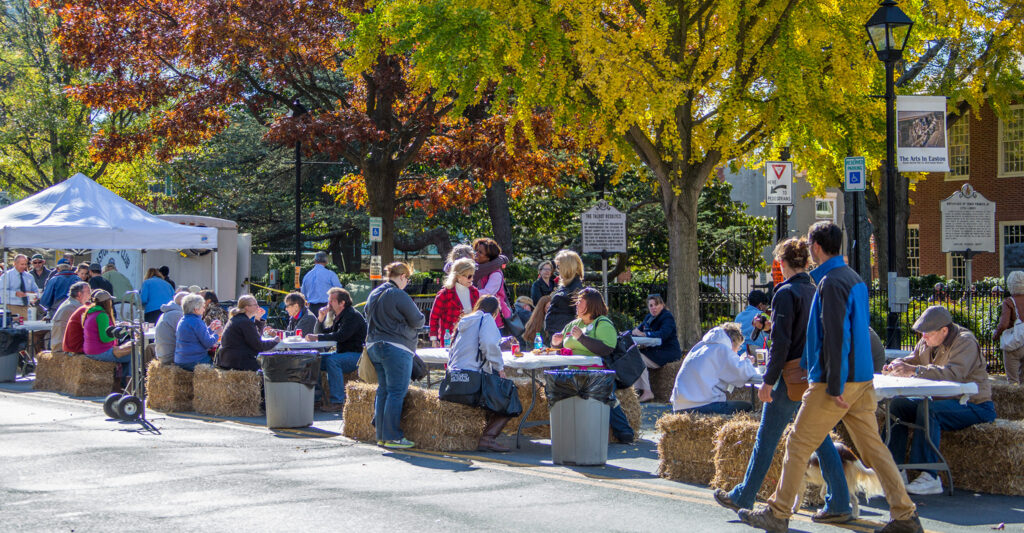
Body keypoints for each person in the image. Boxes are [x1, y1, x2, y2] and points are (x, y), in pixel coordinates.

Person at [739, 221, 919, 533]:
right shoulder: (852, 278)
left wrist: (834, 385)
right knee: (874, 449)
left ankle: (778, 513)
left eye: (810, 245)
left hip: (834, 381)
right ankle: (905, 514)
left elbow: (836, 336)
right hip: (861, 378)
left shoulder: (830, 282)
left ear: (817, 247)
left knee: (797, 443)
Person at [714, 237, 852, 523]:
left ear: (782, 262)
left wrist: (768, 380)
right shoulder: (814, 290)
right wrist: (771, 326)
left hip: (788, 378)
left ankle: (744, 495)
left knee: (766, 438)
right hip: (812, 374)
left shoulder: (785, 292)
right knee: (820, 439)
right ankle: (839, 500)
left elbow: (781, 343)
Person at [883, 305, 996, 495]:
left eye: (927, 333)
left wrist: (914, 370)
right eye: (922, 333)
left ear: (944, 331)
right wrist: (897, 365)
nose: (923, 337)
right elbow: (914, 359)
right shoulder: (928, 340)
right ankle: (893, 470)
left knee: (929, 410)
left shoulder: (965, 341)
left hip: (973, 404)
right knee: (897, 405)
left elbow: (954, 374)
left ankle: (929, 475)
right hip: (942, 400)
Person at [551, 287, 635, 443]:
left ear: (591, 304)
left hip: (598, 372)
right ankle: (566, 431)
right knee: (553, 387)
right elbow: (561, 343)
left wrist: (582, 338)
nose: (576, 304)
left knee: (603, 393)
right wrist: (556, 342)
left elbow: (607, 348)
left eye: (580, 301)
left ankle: (624, 432)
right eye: (577, 301)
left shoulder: (602, 323)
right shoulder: (574, 324)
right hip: (572, 372)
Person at [365, 262, 424, 449]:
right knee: (397, 392)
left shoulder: (374, 293)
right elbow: (418, 320)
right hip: (396, 347)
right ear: (402, 276)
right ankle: (392, 437)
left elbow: (367, 314)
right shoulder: (398, 294)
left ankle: (382, 435)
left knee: (383, 390)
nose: (407, 282)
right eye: (407, 279)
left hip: (374, 346)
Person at [446, 296, 515, 452]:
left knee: (496, 391)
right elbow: (489, 344)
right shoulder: (486, 318)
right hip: (473, 381)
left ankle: (481, 435)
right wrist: (499, 368)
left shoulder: (464, 321)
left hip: (454, 380)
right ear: (495, 311)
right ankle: (487, 439)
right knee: (509, 394)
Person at [669, 323, 757, 414]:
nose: (736, 352)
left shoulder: (699, 347)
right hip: (703, 406)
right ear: (733, 343)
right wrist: (748, 362)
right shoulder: (722, 349)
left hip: (679, 407)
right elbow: (742, 374)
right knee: (748, 407)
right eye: (738, 347)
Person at [308, 287, 366, 411]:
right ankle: (317, 398)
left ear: (342, 303)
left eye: (332, 301)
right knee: (313, 358)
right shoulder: (339, 316)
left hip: (356, 355)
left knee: (333, 361)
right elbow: (323, 332)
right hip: (342, 353)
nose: (328, 303)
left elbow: (341, 336)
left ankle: (337, 402)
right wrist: (320, 319)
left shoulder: (352, 316)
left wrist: (317, 337)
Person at [631, 294, 682, 402]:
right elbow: (637, 330)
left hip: (667, 352)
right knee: (632, 355)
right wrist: (630, 332)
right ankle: (634, 392)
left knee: (638, 358)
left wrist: (645, 334)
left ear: (662, 305)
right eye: (651, 305)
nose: (653, 308)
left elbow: (663, 334)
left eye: (656, 304)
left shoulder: (667, 317)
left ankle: (647, 392)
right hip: (654, 351)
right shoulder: (648, 318)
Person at [218, 295, 278, 372]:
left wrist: (258, 318)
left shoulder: (238, 319)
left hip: (229, 361)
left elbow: (254, 338)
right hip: (238, 364)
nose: (258, 307)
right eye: (255, 305)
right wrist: (275, 341)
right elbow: (259, 346)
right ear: (247, 307)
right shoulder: (244, 322)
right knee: (271, 369)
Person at [429, 258, 480, 347]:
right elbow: (434, 317)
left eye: (472, 275)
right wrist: (434, 339)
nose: (472, 279)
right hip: (450, 338)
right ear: (458, 276)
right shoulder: (444, 294)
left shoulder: (475, 292)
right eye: (468, 276)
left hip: (471, 337)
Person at [82, 290, 135, 371]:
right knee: (134, 355)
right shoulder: (102, 315)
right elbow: (104, 339)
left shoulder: (91, 312)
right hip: (99, 352)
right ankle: (129, 378)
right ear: (106, 302)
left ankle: (125, 377)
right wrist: (120, 334)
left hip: (90, 350)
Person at [472, 238, 513, 330]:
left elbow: (487, 293)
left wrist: (469, 291)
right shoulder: (477, 269)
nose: (476, 254)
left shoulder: (496, 274)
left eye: (480, 252)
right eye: (476, 250)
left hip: (495, 318)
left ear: (489, 258)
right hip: (480, 315)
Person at [174, 293, 220, 371]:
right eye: (203, 307)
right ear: (196, 309)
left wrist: (210, 329)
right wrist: (217, 334)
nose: (204, 310)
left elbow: (197, 336)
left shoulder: (183, 320)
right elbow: (208, 343)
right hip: (194, 361)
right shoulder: (197, 321)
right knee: (218, 364)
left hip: (180, 360)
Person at [544, 250, 585, 337]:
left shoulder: (575, 288)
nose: (557, 270)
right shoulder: (566, 285)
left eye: (559, 266)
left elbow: (579, 316)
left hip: (564, 335)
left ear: (567, 267)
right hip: (557, 334)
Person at [994, 270, 1024, 384]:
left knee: (1013, 381)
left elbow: (1004, 324)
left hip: (1014, 344)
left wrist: (996, 335)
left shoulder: (1009, 302)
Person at [50, 282, 91, 355]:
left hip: (60, 346)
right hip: (65, 349)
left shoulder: (68, 303)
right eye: (88, 292)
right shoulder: (74, 308)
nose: (90, 295)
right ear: (79, 294)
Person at [301, 251, 343, 316]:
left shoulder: (307, 276)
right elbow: (339, 290)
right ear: (326, 261)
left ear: (315, 261)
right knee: (328, 323)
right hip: (327, 307)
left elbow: (303, 294)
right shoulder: (330, 274)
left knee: (314, 323)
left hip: (312, 308)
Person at [1, 254, 39, 319]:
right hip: (11, 307)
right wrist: (15, 293)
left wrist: (35, 296)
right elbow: (1, 291)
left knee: (27, 325)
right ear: (15, 264)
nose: (24, 266)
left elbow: (36, 290)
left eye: (25, 264)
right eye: (22, 264)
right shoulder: (7, 276)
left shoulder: (29, 276)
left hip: (26, 308)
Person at [154, 291, 188, 365]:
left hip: (163, 356)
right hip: (171, 358)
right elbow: (190, 338)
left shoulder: (167, 313)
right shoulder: (178, 315)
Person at [734, 289, 770, 356]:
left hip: (740, 353)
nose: (766, 309)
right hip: (758, 354)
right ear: (760, 305)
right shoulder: (762, 316)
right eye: (766, 306)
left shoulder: (739, 316)